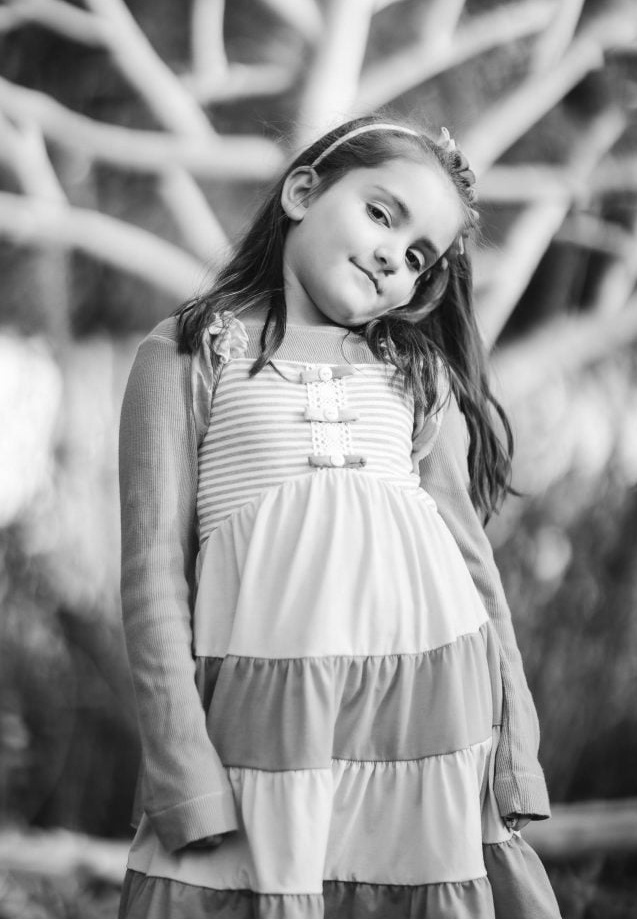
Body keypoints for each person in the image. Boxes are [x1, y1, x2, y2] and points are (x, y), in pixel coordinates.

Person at [117, 117, 562, 919]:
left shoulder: (412, 376)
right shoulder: (189, 354)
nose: (396, 256)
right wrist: (179, 763)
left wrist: (515, 752)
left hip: (429, 721)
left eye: (420, 254)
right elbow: (152, 574)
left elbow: (471, 569)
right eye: (383, 215)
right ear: (302, 191)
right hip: (265, 724)